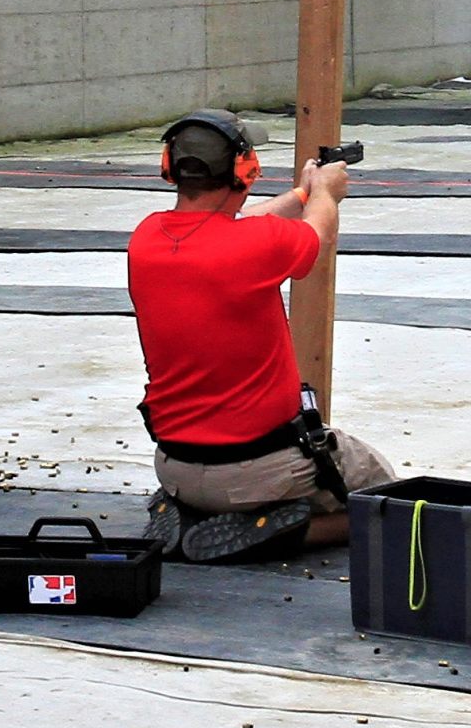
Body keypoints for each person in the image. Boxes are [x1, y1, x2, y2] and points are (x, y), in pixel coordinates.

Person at [127, 109, 394, 563]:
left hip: (174, 466)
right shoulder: (259, 243)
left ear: (171, 167)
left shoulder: (147, 238)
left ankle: (190, 515)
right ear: (244, 169)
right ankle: (270, 533)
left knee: (235, 481)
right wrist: (325, 194)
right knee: (387, 501)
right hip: (259, 469)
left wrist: (302, 192)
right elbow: (319, 233)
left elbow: (234, 228)